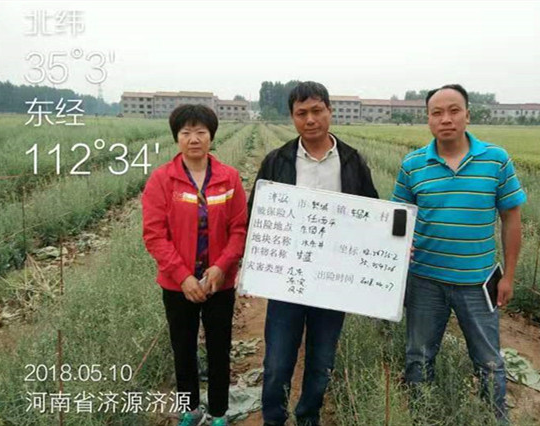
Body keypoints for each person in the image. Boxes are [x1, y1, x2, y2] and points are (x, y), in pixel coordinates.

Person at [391, 84, 525, 422]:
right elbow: (398, 219)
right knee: (419, 356)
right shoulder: (413, 165)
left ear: (467, 114)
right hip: (424, 281)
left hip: (478, 283)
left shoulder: (496, 160)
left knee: (489, 360)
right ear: (428, 119)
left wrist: (508, 276)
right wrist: (397, 255)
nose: (446, 119)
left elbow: (511, 218)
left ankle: (493, 418)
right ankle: (422, 416)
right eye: (437, 113)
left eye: (454, 111)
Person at [249, 81, 378, 426]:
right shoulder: (277, 161)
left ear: (329, 111)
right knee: (277, 361)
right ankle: (274, 419)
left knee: (322, 360)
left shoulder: (352, 161)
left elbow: (372, 214)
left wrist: (392, 248)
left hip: (332, 282)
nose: (310, 119)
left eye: (317, 110)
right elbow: (256, 216)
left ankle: (308, 416)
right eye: (301, 113)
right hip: (287, 281)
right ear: (292, 117)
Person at [142, 104, 247, 426]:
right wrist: (183, 276)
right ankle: (190, 409)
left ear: (211, 136)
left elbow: (239, 229)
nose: (194, 139)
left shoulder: (229, 178)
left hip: (219, 283)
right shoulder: (163, 179)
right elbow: (154, 234)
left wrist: (222, 266)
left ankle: (219, 412)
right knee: (183, 348)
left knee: (219, 348)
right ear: (177, 137)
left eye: (201, 132)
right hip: (178, 285)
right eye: (186, 132)